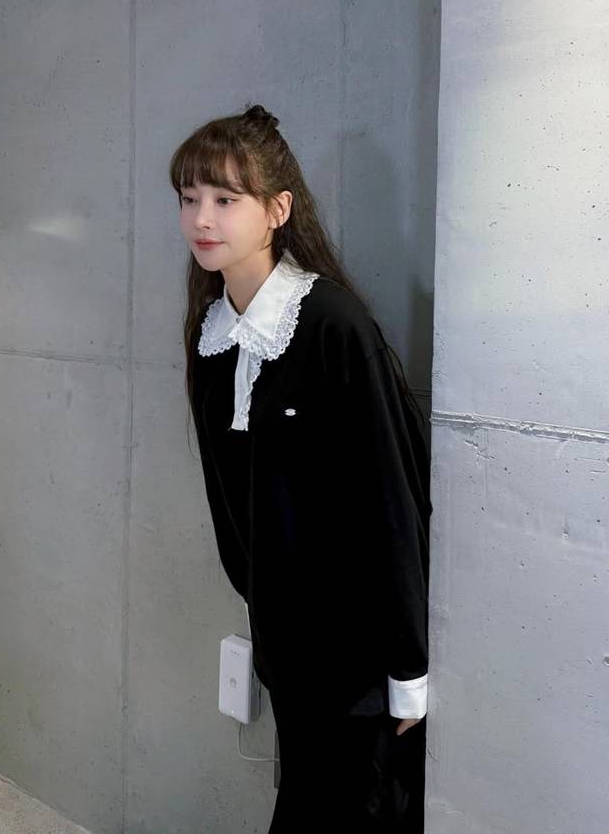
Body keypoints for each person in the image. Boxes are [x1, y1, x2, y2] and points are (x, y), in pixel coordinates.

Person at [170, 103, 431, 832]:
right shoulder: (213, 337)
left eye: (225, 199)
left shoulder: (332, 326)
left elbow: (394, 500)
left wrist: (408, 666)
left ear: (277, 209)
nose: (201, 219)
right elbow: (233, 501)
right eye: (189, 198)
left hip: (360, 661)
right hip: (289, 651)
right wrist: (264, 604)